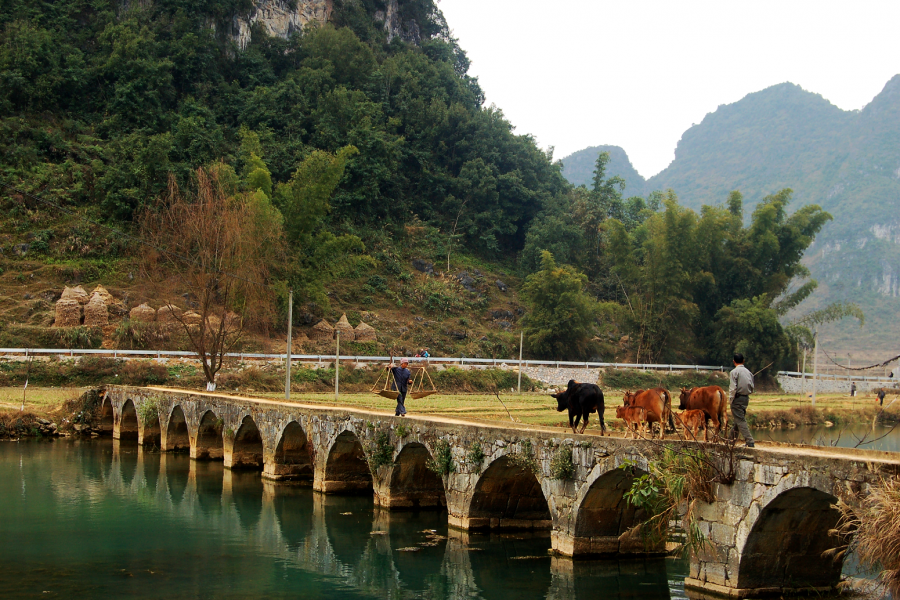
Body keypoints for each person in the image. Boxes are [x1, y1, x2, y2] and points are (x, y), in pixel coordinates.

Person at [728, 352, 755, 448]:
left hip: (737, 398)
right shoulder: (749, 372)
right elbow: (752, 387)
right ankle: (730, 441)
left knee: (740, 420)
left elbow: (733, 388)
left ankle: (750, 441)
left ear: (734, 361)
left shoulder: (734, 372)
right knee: (738, 420)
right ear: (743, 361)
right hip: (745, 398)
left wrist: (731, 400)